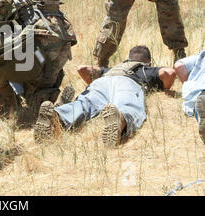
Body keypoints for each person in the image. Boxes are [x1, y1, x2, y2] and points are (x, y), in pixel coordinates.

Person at [34, 45, 177, 147]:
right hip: (128, 83)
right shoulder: (146, 68)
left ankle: (58, 115)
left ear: (127, 58)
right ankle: (120, 120)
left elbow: (83, 69)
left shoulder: (115, 67)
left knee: (84, 103)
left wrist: (96, 82)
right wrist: (166, 87)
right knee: (127, 106)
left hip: (102, 82)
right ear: (148, 61)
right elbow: (169, 73)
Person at [174, 50, 205, 143]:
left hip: (199, 91)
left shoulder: (202, 56)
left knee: (200, 102)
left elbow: (179, 66)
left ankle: (200, 116)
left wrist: (189, 85)